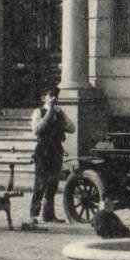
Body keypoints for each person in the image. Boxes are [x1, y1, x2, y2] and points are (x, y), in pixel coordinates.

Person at [29, 85, 75, 225]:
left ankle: (49, 215)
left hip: (55, 150)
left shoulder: (59, 112)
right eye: (51, 95)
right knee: (40, 183)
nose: (54, 98)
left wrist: (61, 114)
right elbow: (37, 129)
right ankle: (34, 215)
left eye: (56, 96)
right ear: (44, 98)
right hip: (43, 151)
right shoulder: (38, 112)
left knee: (52, 185)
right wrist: (49, 113)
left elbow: (71, 128)